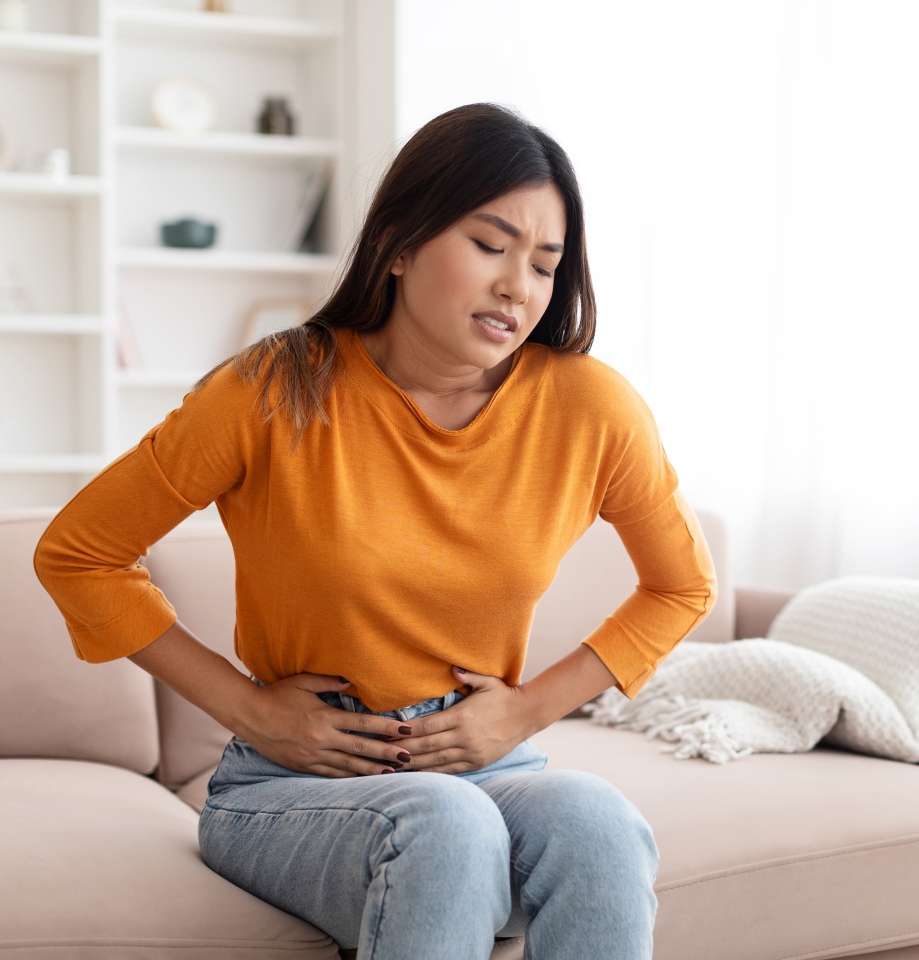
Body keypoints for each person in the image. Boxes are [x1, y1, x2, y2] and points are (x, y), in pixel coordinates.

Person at [35, 102, 716, 960]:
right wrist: (249, 708)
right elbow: (78, 551)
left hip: (485, 770)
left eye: (545, 265)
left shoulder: (590, 408)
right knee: (448, 824)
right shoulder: (275, 387)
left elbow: (683, 584)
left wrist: (523, 715)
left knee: (600, 822)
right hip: (290, 785)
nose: (518, 285)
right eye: (489, 244)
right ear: (398, 242)